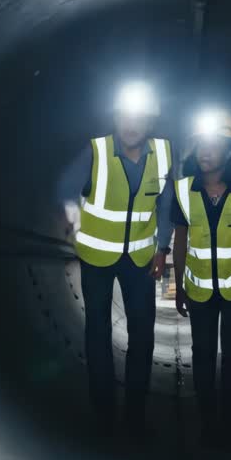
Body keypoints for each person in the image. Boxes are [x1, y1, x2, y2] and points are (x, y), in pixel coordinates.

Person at [58, 82, 174, 437]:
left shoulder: (164, 154)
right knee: (98, 331)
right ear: (116, 117)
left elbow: (166, 205)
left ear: (150, 122)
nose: (131, 124)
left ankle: (135, 412)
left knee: (142, 335)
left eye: (139, 117)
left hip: (139, 257)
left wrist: (162, 248)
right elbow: (66, 187)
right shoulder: (97, 151)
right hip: (97, 256)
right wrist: (73, 215)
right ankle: (103, 408)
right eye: (125, 115)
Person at [172, 110, 231, 448]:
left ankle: (230, 426)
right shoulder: (184, 191)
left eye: (213, 145)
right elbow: (179, 241)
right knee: (203, 355)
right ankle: (208, 425)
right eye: (200, 145)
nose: (204, 152)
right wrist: (180, 285)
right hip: (198, 289)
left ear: (229, 151)